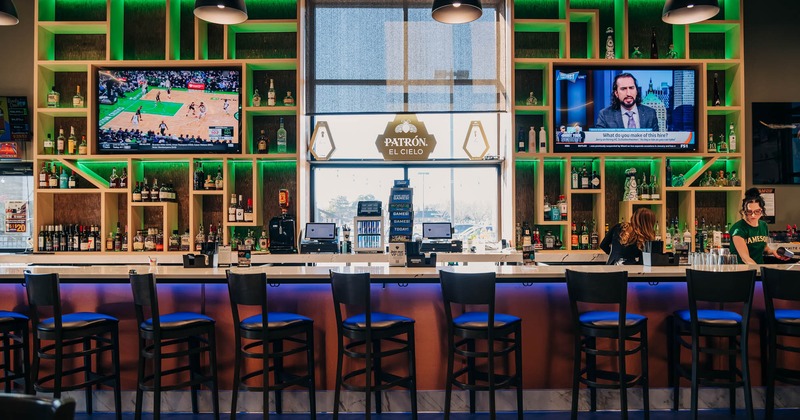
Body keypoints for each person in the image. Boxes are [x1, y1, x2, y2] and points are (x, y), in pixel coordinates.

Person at [730, 188, 789, 264]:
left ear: (762, 211)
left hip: (758, 269)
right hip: (742, 272)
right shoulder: (738, 229)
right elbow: (745, 258)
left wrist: (773, 252)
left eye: (757, 211)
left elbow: (764, 248)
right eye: (749, 211)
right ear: (744, 211)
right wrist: (760, 270)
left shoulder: (763, 225)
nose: (753, 215)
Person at [596, 73, 660, 131]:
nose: (628, 93)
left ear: (636, 91)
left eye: (631, 88)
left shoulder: (650, 113)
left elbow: (657, 142)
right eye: (623, 89)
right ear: (616, 93)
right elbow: (598, 142)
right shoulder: (605, 115)